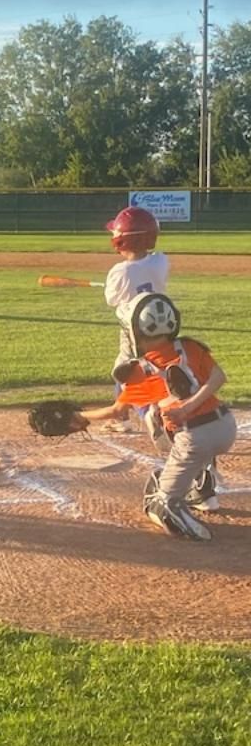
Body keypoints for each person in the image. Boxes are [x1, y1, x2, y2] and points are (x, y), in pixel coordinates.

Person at [73, 292, 237, 542]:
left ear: (135, 331)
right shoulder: (190, 346)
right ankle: (201, 486)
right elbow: (219, 378)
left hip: (195, 439)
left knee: (159, 503)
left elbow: (117, 411)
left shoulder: (143, 370)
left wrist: (79, 416)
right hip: (226, 427)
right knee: (157, 416)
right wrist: (191, 403)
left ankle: (181, 510)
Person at [102, 206, 170, 431]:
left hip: (133, 330)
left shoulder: (120, 271)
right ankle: (132, 413)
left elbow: (111, 300)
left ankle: (141, 413)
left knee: (124, 370)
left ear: (122, 241)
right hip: (160, 325)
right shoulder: (160, 261)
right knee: (151, 368)